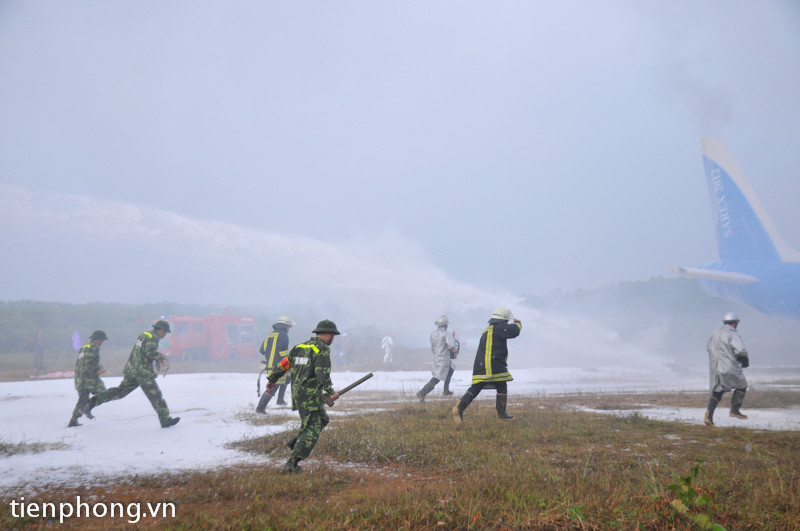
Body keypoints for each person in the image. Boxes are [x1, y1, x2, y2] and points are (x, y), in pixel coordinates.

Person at [265, 319, 340, 474]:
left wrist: (272, 379)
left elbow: (284, 364)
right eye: (333, 335)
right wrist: (331, 391)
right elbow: (322, 373)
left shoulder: (299, 347)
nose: (333, 339)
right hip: (310, 396)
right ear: (328, 334)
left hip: (299, 394)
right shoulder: (322, 349)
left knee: (323, 419)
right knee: (311, 430)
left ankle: (297, 442)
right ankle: (292, 463)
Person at [83, 320, 180, 428]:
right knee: (156, 396)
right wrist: (160, 357)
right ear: (160, 330)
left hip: (131, 370)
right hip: (142, 373)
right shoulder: (154, 338)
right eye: (165, 332)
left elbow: (141, 351)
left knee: (120, 392)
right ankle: (165, 420)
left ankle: (93, 401)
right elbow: (149, 352)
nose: (165, 334)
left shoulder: (144, 335)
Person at [452, 308, 522, 424]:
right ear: (503, 320)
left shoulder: (488, 329)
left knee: (476, 387)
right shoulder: (498, 328)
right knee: (502, 385)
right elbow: (514, 332)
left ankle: (459, 408)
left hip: (481, 365)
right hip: (493, 364)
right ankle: (501, 414)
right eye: (506, 321)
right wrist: (518, 324)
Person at [704, 312, 750, 426]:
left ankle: (708, 417)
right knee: (742, 385)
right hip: (729, 366)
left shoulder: (714, 334)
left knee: (717, 391)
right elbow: (740, 349)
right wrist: (744, 358)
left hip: (715, 367)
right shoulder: (732, 334)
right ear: (735, 323)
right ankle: (734, 410)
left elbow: (708, 348)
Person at [67, 330, 108, 427]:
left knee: (82, 399)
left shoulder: (84, 348)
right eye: (102, 340)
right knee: (104, 393)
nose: (103, 343)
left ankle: (74, 420)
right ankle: (88, 407)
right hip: (89, 378)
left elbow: (82, 362)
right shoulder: (94, 348)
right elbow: (89, 362)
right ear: (98, 340)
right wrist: (98, 369)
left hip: (80, 379)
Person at [416, 315, 459, 402]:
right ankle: (422, 392)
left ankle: (446, 390)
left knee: (451, 369)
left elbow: (432, 347)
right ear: (446, 325)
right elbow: (451, 346)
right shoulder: (447, 334)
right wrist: (454, 343)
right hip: (444, 358)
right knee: (437, 378)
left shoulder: (433, 334)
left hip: (437, 357)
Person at [256, 316, 293, 412]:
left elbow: (262, 350)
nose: (289, 329)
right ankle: (260, 408)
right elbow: (283, 352)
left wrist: (270, 357)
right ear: (285, 326)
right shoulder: (284, 335)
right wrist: (288, 363)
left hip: (269, 365)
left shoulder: (270, 335)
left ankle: (280, 400)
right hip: (279, 365)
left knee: (286, 378)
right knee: (273, 386)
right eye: (289, 327)